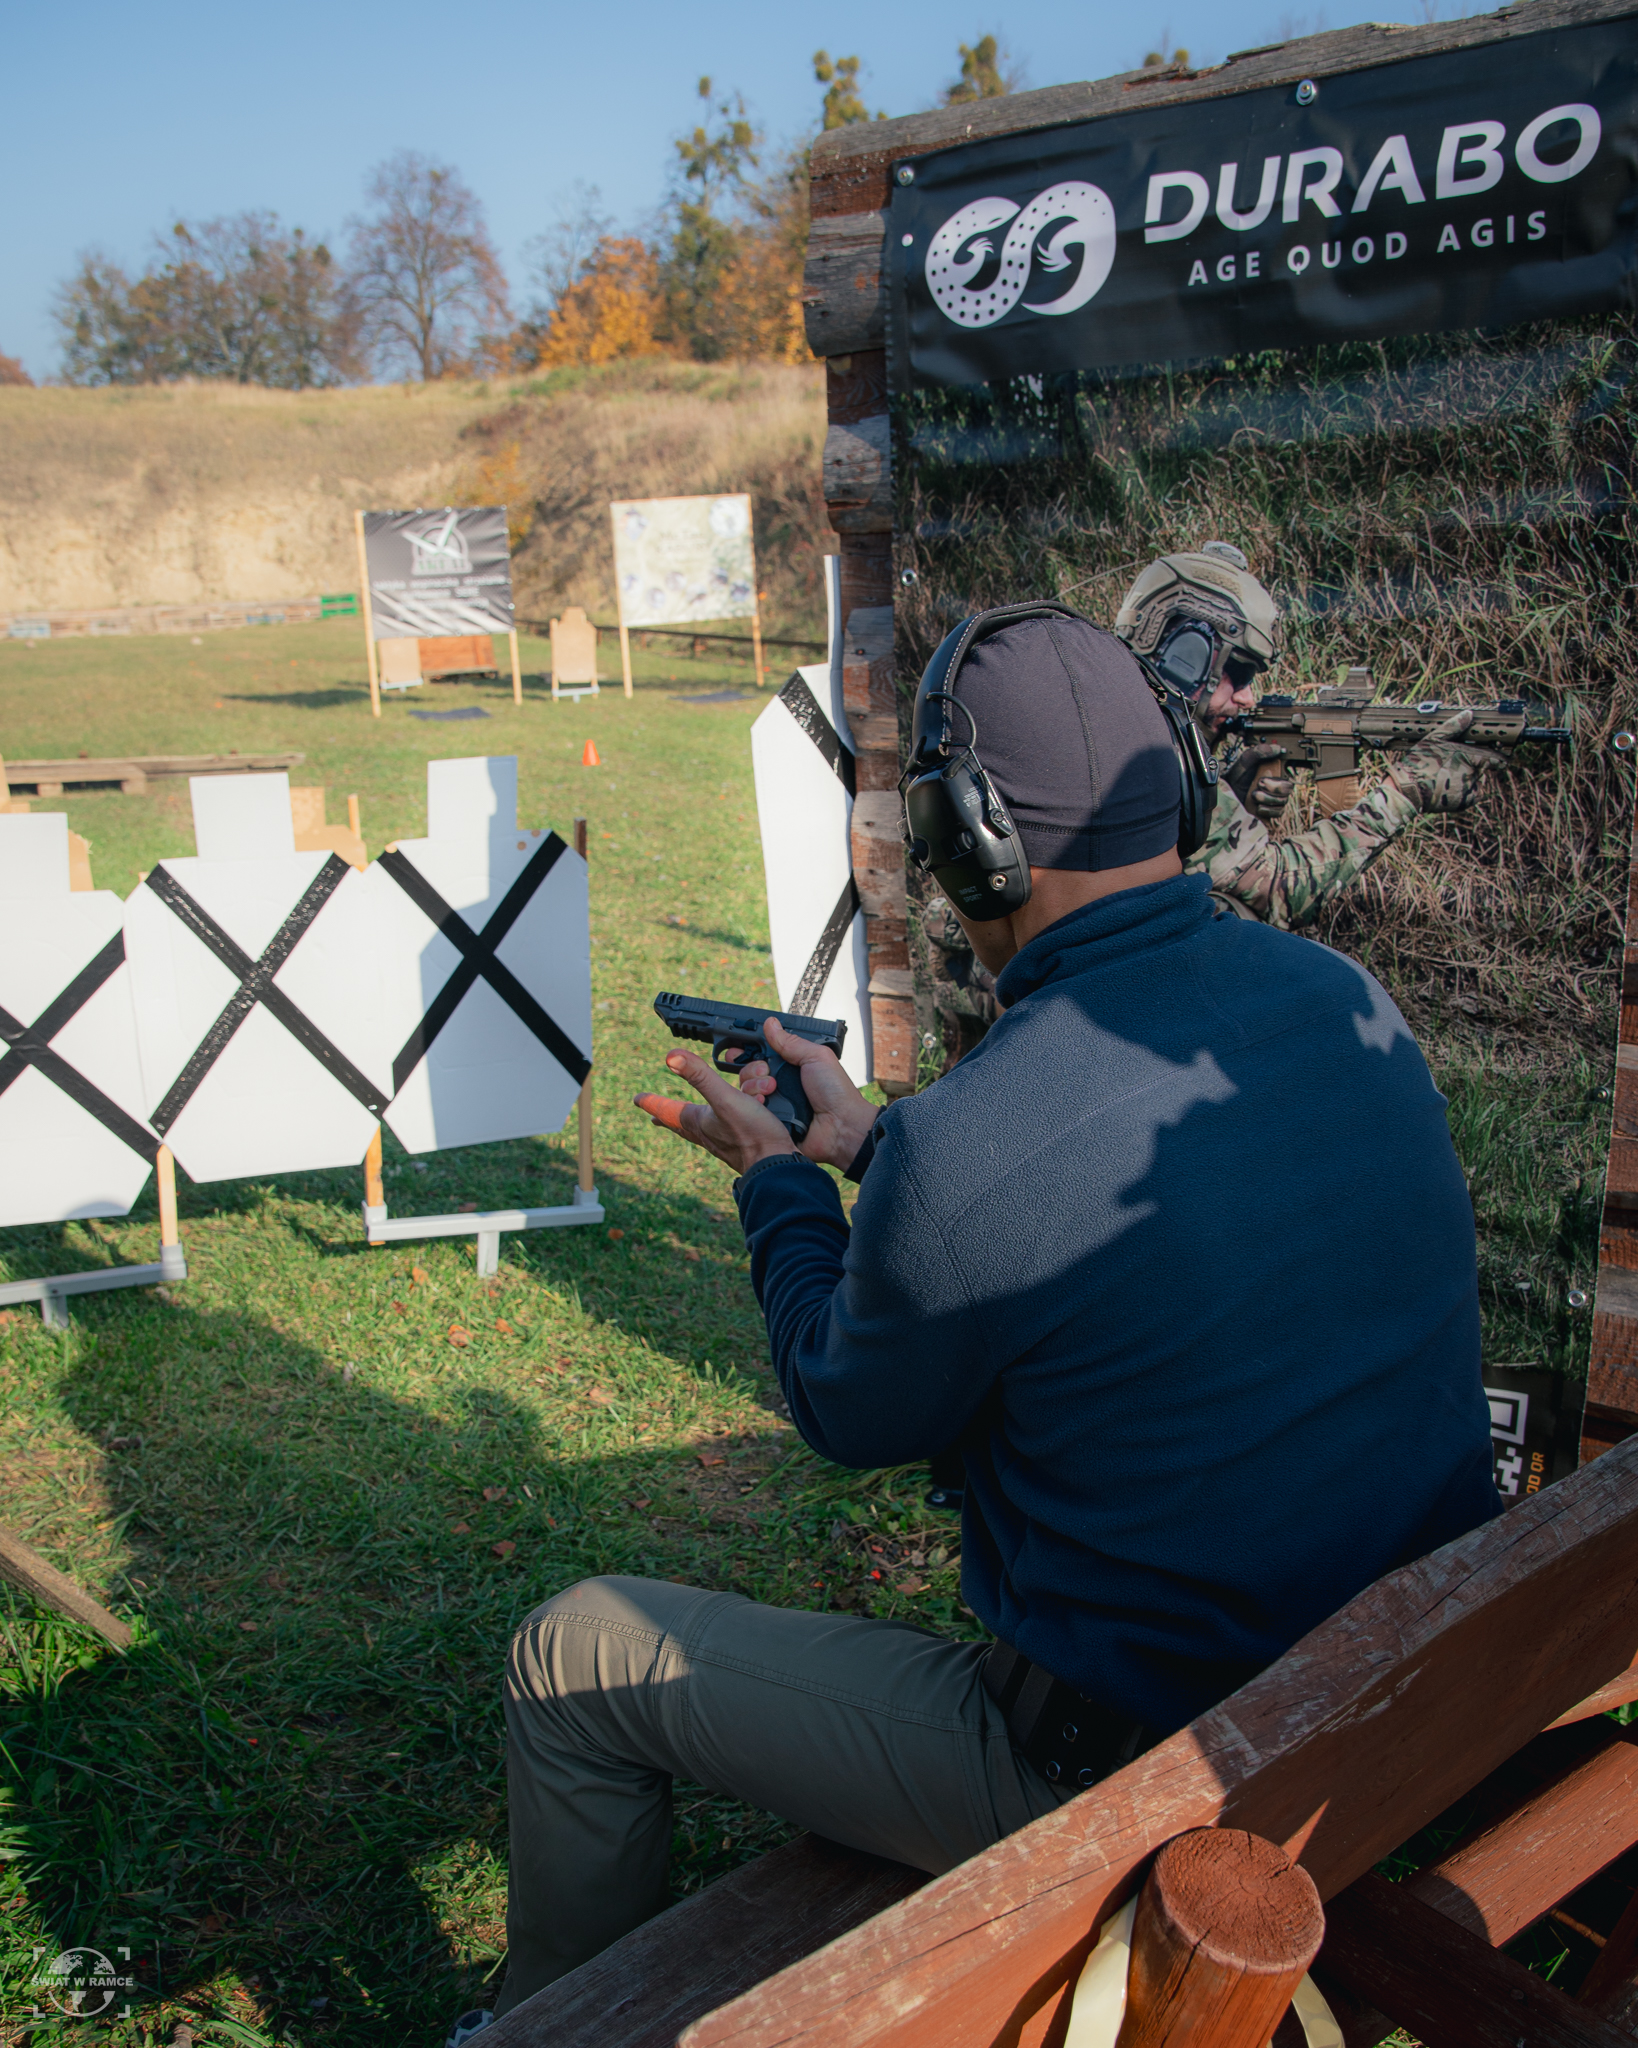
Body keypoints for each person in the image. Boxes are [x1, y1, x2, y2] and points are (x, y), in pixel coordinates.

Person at [474, 608, 1499, 2026]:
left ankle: (539, 2025)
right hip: (1382, 1714)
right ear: (1182, 793)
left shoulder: (969, 1146)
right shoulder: (1338, 996)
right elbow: (1114, 1198)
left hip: (1137, 1786)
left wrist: (781, 1191)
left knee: (573, 1654)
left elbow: (846, 1404)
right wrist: (878, 1155)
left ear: (967, 840)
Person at [920, 540, 1503, 1061]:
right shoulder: (1156, 751)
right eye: (1238, 672)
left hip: (992, 970)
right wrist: (1405, 792)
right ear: (1184, 654)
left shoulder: (1096, 711)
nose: (1247, 698)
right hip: (1044, 1009)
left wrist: (1232, 791)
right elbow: (1281, 887)